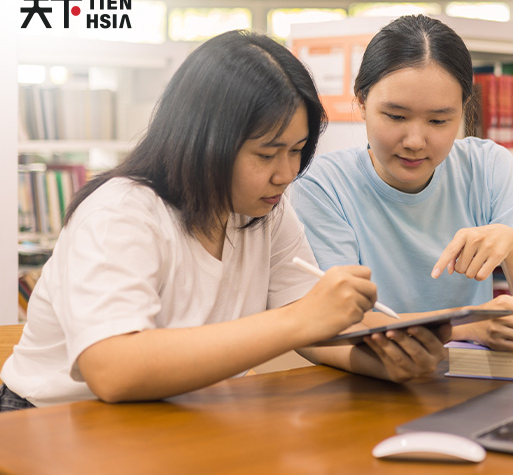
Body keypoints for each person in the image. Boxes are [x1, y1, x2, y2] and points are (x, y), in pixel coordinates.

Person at [0, 30, 449, 412]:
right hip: (51, 424)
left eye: (297, 151)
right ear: (204, 140)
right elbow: (113, 370)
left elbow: (314, 331)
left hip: (166, 417)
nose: (286, 174)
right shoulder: (121, 212)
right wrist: (300, 321)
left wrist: (385, 361)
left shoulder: (263, 209)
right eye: (267, 153)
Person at [292, 14, 513, 353]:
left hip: (477, 382)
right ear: (361, 101)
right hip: (372, 382)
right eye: (396, 117)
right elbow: (339, 322)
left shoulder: (489, 166)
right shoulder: (322, 186)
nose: (415, 141)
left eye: (438, 120)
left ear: (463, 110)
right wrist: (464, 324)